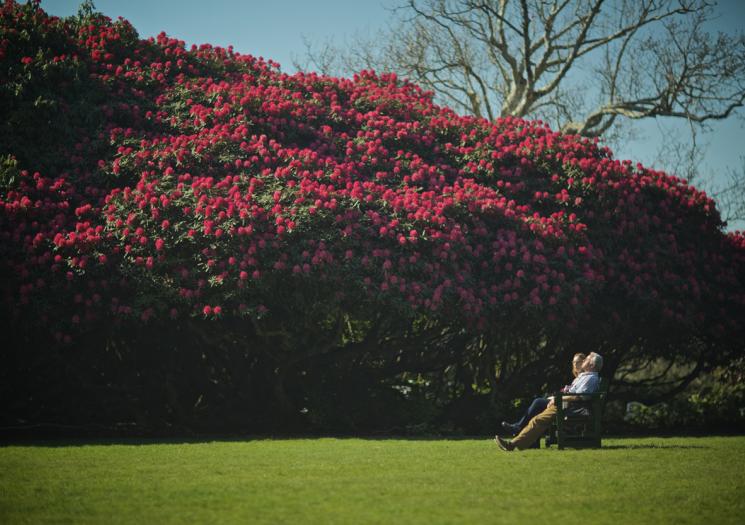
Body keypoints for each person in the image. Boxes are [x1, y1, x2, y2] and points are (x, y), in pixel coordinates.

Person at [495, 352, 603, 451]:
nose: (584, 361)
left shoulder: (590, 378)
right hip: (566, 405)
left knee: (537, 420)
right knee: (536, 418)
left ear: (592, 365)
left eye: (587, 359)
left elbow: (579, 397)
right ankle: (517, 443)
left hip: (570, 407)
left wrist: (558, 399)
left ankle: (512, 445)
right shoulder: (586, 377)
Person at [500, 352, 586, 436]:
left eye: (577, 362)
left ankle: (519, 427)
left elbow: (577, 395)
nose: (575, 364)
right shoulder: (578, 378)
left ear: (583, 363)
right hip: (564, 401)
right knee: (540, 404)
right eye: (574, 362)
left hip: (568, 405)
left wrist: (558, 397)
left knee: (538, 402)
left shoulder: (585, 377)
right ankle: (531, 440)